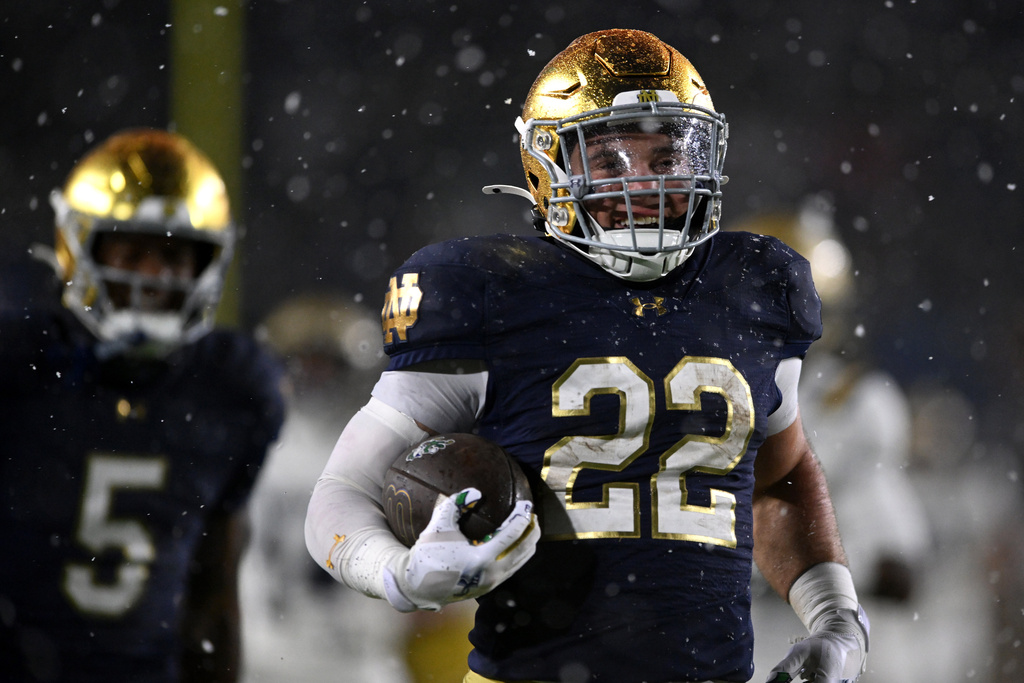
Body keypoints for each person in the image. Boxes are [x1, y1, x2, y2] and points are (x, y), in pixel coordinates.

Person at [305, 29, 869, 683]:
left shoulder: (753, 287)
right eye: (610, 160)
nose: (645, 185)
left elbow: (779, 478)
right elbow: (343, 491)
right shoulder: (488, 291)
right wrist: (399, 573)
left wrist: (836, 618)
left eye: (668, 157)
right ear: (545, 169)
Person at [0, 128, 285, 682]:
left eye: (174, 256)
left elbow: (212, 595)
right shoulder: (17, 368)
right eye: (132, 252)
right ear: (78, 248)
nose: (153, 277)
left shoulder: (230, 389)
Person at [729, 202, 931, 682]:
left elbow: (895, 562)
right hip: (727, 630)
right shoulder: (700, 397)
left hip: (798, 629)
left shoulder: (853, 404)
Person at [237, 294, 412, 683]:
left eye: (326, 366)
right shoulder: (390, 454)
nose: (316, 378)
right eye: (306, 364)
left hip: (312, 658)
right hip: (318, 660)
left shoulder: (251, 448)